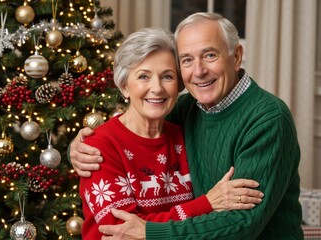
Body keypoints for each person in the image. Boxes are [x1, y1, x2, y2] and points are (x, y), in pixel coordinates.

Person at [72, 13, 303, 239]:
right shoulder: (186, 109)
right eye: (187, 60)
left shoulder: (268, 118)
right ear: (123, 85)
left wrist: (151, 232)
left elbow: (243, 224)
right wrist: (80, 145)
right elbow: (133, 128)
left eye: (210, 55)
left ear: (237, 57)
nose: (199, 71)